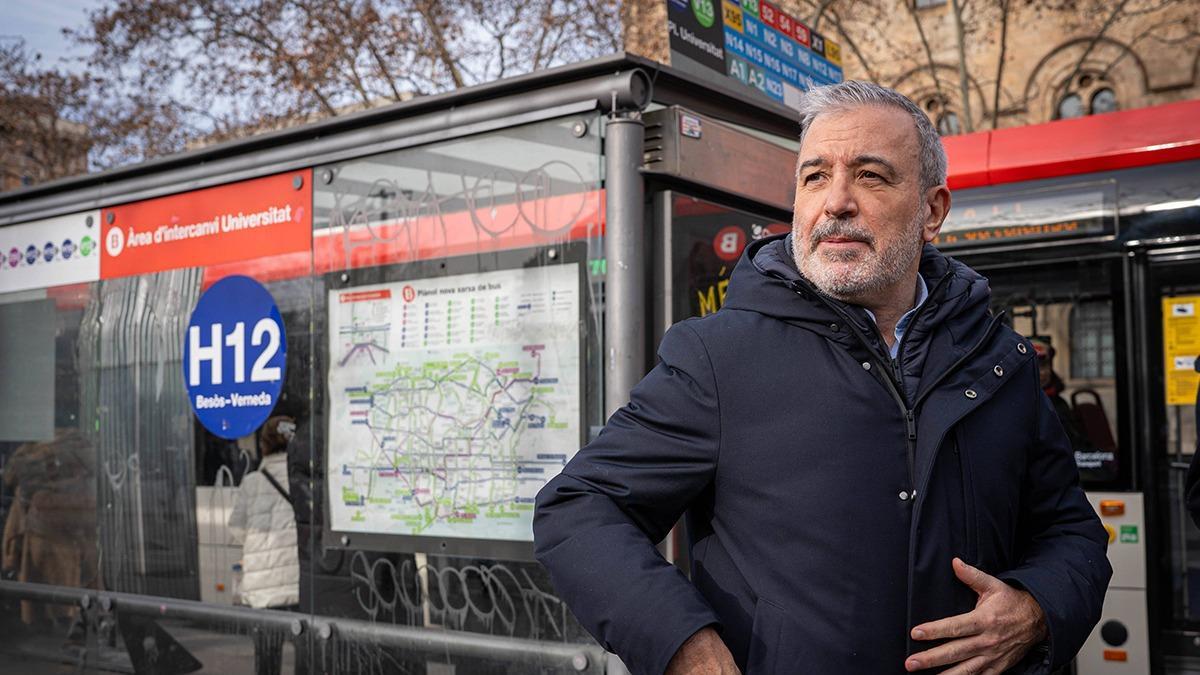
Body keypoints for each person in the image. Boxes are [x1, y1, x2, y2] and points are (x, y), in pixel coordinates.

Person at [533, 82, 1110, 675]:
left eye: (870, 176)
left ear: (932, 211)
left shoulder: (999, 360)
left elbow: (1072, 532)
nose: (835, 202)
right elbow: (579, 508)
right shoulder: (718, 356)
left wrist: (1037, 608)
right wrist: (684, 644)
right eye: (814, 177)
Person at [228, 414, 300, 675]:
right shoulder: (302, 478)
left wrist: (258, 543)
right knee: (306, 654)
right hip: (297, 583)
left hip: (264, 590)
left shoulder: (252, 482)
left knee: (267, 660)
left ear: (264, 445)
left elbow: (236, 527)